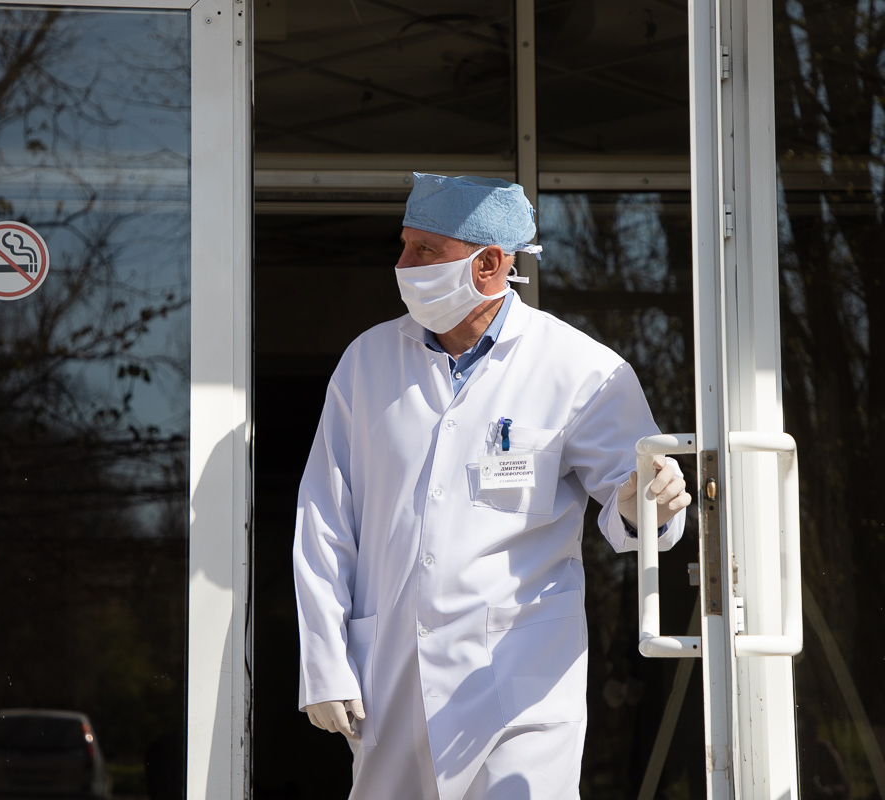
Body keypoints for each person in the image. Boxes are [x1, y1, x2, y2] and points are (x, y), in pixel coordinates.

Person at [293, 173, 692, 800]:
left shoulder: (581, 368)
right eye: (404, 245)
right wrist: (324, 660)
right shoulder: (366, 363)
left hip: (522, 679)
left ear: (490, 264)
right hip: (391, 676)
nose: (403, 265)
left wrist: (646, 502)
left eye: (426, 250)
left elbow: (641, 499)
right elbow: (324, 519)